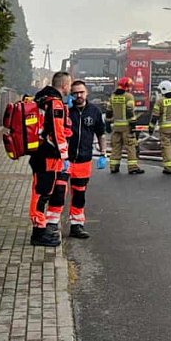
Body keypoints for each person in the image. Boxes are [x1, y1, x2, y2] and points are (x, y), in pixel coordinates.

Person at [50, 80, 106, 239]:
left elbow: (101, 134)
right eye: (75, 93)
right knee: (59, 192)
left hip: (83, 160)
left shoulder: (94, 111)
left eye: (81, 92)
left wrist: (103, 154)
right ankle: (52, 224)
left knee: (79, 194)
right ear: (71, 94)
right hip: (64, 159)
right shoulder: (65, 110)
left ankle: (77, 225)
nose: (78, 95)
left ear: (86, 93)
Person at [28, 71, 72, 247]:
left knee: (43, 191)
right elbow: (57, 131)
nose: (69, 88)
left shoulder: (41, 99)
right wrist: (64, 155)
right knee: (42, 192)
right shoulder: (55, 103)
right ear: (64, 85)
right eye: (69, 85)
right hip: (48, 154)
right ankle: (38, 232)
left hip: (41, 152)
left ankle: (40, 228)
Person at [105, 77, 144, 174]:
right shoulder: (128, 97)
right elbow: (129, 111)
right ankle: (133, 167)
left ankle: (114, 166)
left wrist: (107, 123)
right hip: (126, 127)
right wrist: (133, 124)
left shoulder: (112, 97)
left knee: (116, 147)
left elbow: (109, 112)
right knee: (131, 146)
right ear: (127, 86)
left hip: (116, 127)